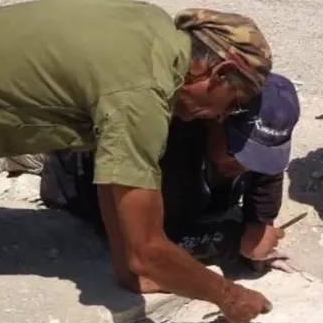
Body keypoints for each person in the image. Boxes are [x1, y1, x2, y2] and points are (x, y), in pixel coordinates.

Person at [0, 0, 276, 323]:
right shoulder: (144, 93)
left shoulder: (150, 26)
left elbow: (112, 172)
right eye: (233, 103)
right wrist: (228, 296)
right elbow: (149, 250)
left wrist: (130, 273)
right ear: (220, 72)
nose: (220, 117)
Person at [39, 72, 301, 272]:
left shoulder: (259, 150)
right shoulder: (171, 141)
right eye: (238, 151)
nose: (244, 165)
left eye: (259, 158)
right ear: (218, 118)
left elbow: (267, 181)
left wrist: (259, 224)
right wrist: (234, 242)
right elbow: (154, 243)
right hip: (76, 176)